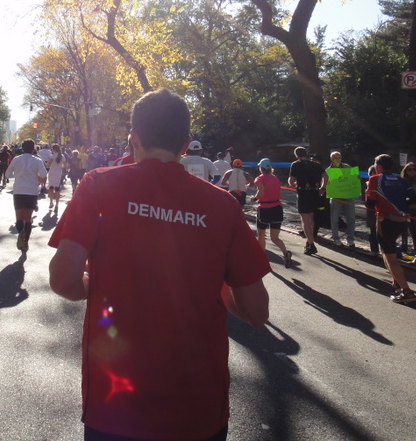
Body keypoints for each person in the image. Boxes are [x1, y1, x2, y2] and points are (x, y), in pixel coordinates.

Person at [48, 89, 270, 441]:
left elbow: (62, 279)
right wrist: (217, 285)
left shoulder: (98, 185)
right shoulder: (223, 206)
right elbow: (257, 311)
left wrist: (93, 284)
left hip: (115, 403)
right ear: (185, 145)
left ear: (134, 139)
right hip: (198, 406)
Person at [365, 154, 416, 304]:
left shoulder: (375, 179)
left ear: (379, 166)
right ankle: (396, 281)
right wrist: (401, 206)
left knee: (389, 255)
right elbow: (415, 199)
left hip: (385, 220)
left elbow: (370, 204)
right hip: (401, 220)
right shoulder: (400, 180)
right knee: (387, 251)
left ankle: (406, 291)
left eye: (375, 164)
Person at [5, 139, 48, 252]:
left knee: (19, 218)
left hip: (19, 191)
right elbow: (44, 174)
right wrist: (37, 178)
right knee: (28, 218)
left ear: (22, 148)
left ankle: (20, 235)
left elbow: (7, 174)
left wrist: (18, 174)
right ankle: (25, 242)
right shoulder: (37, 160)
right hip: (32, 192)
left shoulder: (16, 159)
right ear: (33, 148)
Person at [251, 158, 292, 268]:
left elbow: (261, 192)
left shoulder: (259, 178)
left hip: (265, 208)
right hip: (277, 208)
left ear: (261, 168)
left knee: (261, 235)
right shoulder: (275, 178)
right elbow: (281, 195)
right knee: (275, 238)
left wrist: (254, 199)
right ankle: (285, 253)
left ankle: (261, 257)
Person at [288, 146, 328, 256]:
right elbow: (326, 176)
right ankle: (309, 240)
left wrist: (294, 185)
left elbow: (291, 180)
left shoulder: (295, 165)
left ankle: (311, 243)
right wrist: (322, 188)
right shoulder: (316, 165)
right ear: (306, 153)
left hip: (303, 192)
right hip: (314, 192)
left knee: (304, 218)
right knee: (311, 217)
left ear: (296, 155)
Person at [326, 151, 360, 248]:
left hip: (348, 195)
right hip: (335, 196)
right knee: (334, 218)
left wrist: (357, 177)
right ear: (331, 159)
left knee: (351, 218)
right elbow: (326, 183)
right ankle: (336, 239)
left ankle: (350, 239)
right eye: (335, 157)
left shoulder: (347, 167)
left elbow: (355, 177)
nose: (337, 158)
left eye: (339, 156)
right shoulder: (328, 170)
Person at [46, 143, 66, 214]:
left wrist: (47, 163)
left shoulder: (52, 156)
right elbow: (64, 165)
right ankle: (57, 205)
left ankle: (51, 202)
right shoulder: (62, 156)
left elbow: (49, 164)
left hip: (52, 172)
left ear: (54, 149)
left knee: (51, 188)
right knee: (57, 188)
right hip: (58, 173)